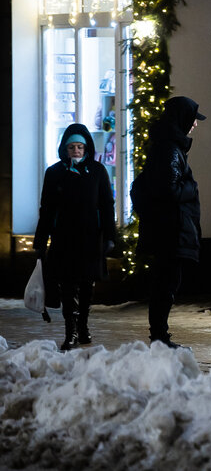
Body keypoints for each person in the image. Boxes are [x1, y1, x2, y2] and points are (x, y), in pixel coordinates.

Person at [33, 123, 116, 351]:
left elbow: (107, 205)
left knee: (87, 285)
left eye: (80, 147)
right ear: (65, 149)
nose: (76, 151)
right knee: (67, 288)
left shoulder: (98, 171)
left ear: (86, 147)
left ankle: (83, 326)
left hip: (90, 238)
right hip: (64, 239)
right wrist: (40, 241)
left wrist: (110, 236)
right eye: (72, 147)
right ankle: (70, 332)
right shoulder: (54, 173)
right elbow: (47, 208)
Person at [133, 96, 205, 348]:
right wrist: (191, 186)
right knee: (165, 285)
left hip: (168, 230)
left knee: (166, 284)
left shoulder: (168, 146)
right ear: (183, 118)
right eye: (193, 119)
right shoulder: (170, 150)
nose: (195, 124)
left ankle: (160, 336)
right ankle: (160, 337)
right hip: (170, 231)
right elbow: (169, 190)